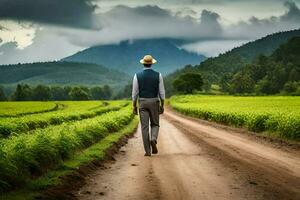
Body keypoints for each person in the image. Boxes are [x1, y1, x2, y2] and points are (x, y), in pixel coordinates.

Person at [132, 55, 165, 156]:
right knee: (155, 124)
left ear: (143, 63)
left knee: (144, 127)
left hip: (142, 102)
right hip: (154, 102)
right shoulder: (158, 75)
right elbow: (162, 92)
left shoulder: (137, 75)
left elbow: (135, 93)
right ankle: (153, 139)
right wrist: (162, 105)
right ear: (151, 64)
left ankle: (147, 151)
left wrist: (134, 106)